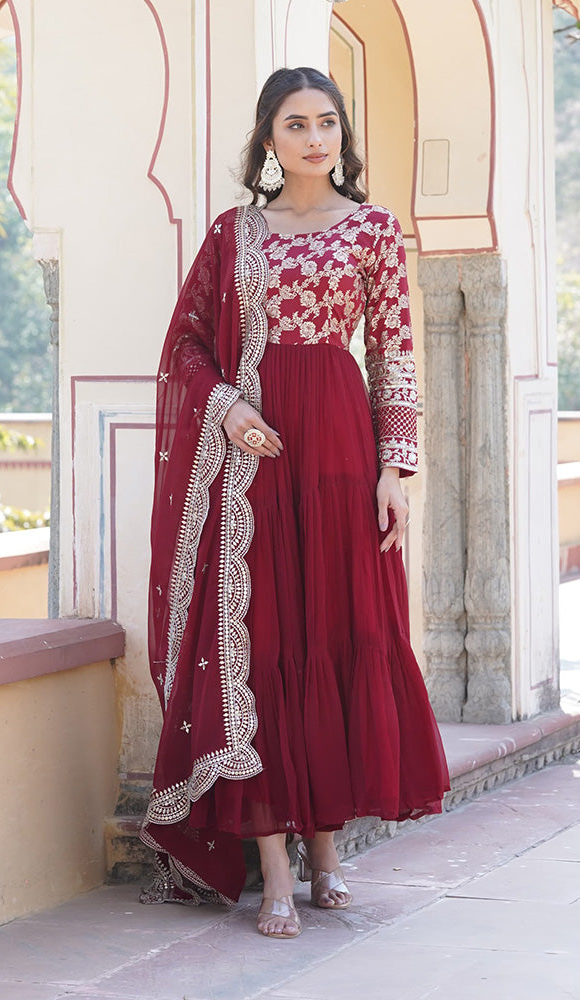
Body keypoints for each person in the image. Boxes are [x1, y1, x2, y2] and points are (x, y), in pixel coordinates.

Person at [140, 66, 450, 940]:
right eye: (296, 124)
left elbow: (393, 353)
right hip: (255, 461)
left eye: (327, 122)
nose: (316, 138)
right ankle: (275, 866)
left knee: (335, 634)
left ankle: (327, 854)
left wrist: (394, 470)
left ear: (342, 133)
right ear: (268, 140)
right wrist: (228, 408)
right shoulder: (235, 233)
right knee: (264, 644)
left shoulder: (373, 229)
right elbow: (187, 343)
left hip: (341, 453)